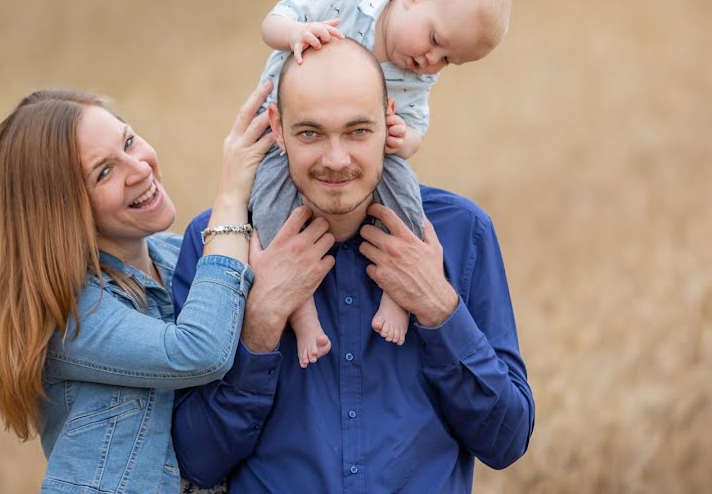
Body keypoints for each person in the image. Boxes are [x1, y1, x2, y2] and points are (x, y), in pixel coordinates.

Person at [173, 40, 535, 493]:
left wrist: (438, 306)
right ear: (277, 128)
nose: (336, 160)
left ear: (388, 118)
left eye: (358, 131)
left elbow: (506, 440)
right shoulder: (220, 243)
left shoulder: (462, 231)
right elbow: (196, 460)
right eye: (310, 133)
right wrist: (262, 319)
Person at [0, 85, 332, 493]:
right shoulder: (70, 313)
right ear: (62, 213)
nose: (140, 168)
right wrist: (231, 193)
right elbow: (201, 351)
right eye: (104, 172)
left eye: (128, 141)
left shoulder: (176, 256)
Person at [249, 0, 513, 366]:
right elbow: (272, 22)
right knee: (270, 209)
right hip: (282, 143)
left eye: (447, 60)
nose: (431, 61)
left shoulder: (419, 77)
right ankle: (301, 314)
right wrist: (296, 33)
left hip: (374, 154)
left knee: (405, 191)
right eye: (434, 39)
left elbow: (415, 130)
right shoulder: (344, 3)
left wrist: (402, 139)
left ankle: (399, 293)